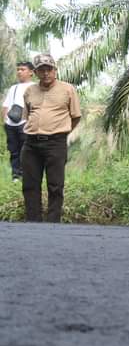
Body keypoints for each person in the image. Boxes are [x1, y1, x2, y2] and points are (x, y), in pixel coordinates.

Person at [21, 54, 81, 222]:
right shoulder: (29, 91)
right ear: (36, 72)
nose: (46, 73)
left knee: (55, 186)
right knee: (30, 186)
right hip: (31, 143)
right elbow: (28, 116)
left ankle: (53, 224)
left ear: (55, 70)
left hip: (56, 142)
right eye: (41, 70)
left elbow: (76, 116)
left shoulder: (68, 89)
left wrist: (61, 133)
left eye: (49, 69)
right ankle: (33, 223)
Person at [2, 61, 34, 181]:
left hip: (25, 123)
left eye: (23, 69)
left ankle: (27, 175)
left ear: (31, 72)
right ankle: (15, 176)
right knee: (13, 150)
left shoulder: (34, 87)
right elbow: (6, 105)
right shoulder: (13, 88)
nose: (19, 72)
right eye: (18, 69)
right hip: (11, 123)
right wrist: (4, 121)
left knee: (27, 150)